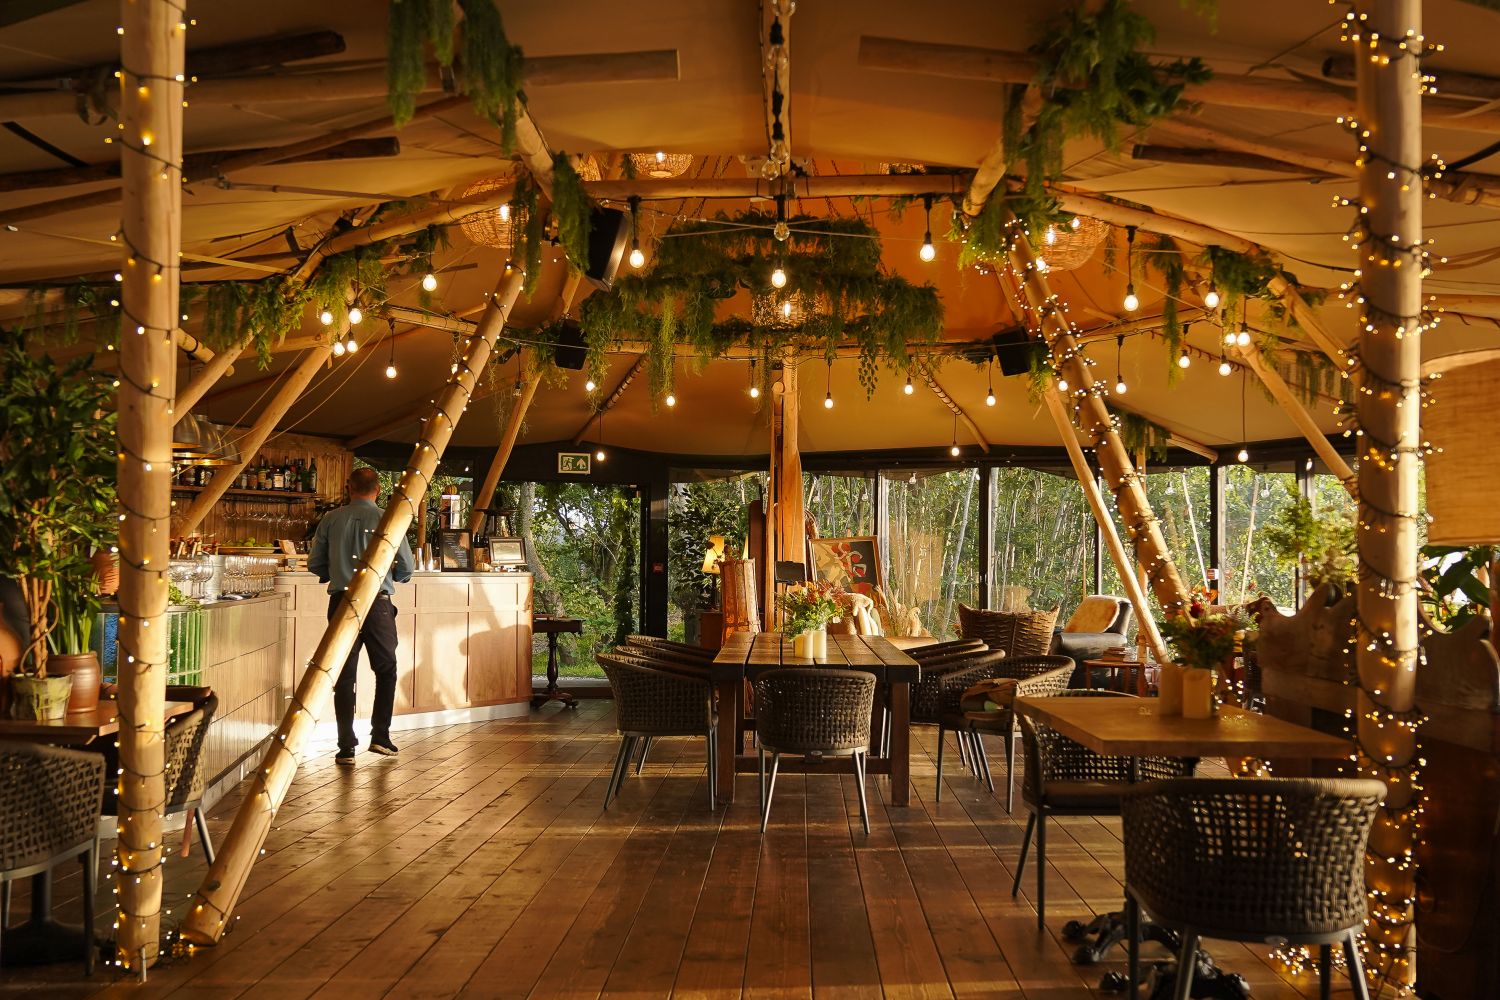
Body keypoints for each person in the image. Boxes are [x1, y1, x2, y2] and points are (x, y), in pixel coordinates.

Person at [308, 467, 415, 765]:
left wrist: (336, 572)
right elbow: (407, 568)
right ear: (378, 490)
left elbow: (314, 564)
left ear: (349, 488)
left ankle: (345, 746)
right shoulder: (389, 519)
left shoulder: (331, 519)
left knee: (343, 674)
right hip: (377, 603)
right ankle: (380, 736)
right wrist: (393, 576)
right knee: (386, 669)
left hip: (341, 601)